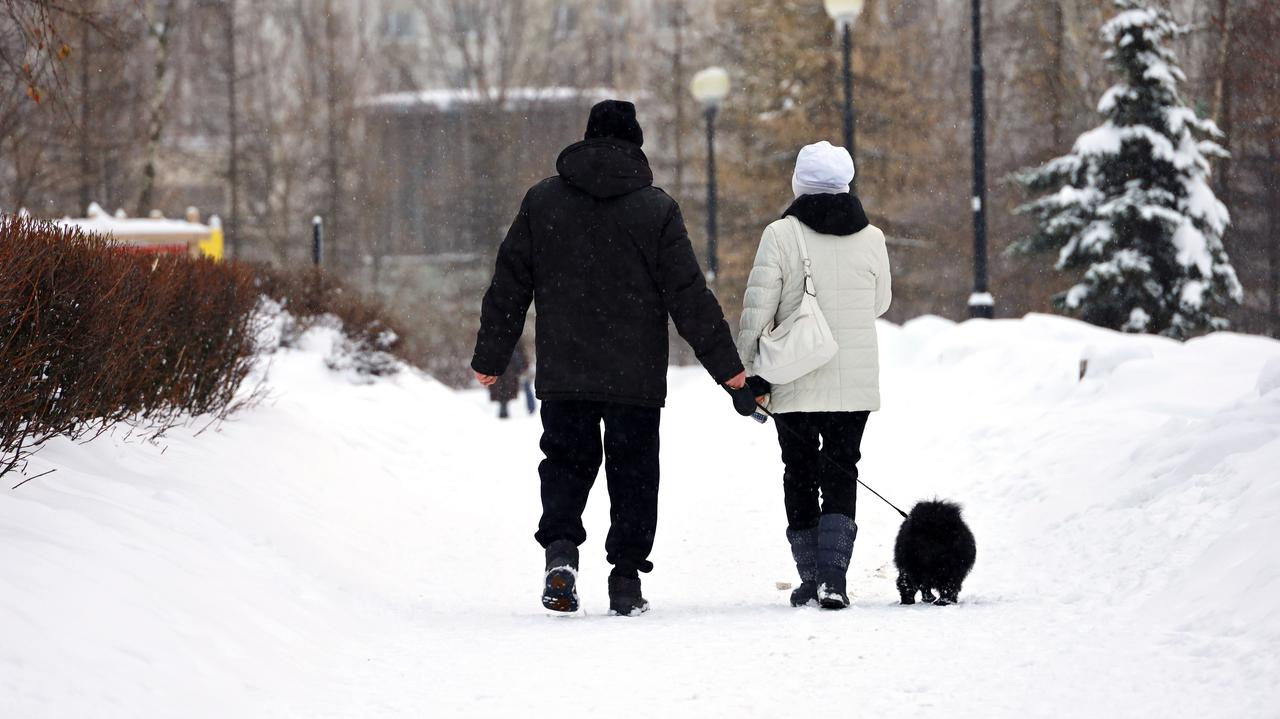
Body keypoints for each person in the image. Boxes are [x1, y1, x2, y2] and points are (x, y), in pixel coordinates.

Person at [472, 99, 746, 616]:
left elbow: (509, 284)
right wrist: (729, 370)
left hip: (566, 368)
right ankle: (625, 578)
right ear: (635, 144)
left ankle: (561, 552)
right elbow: (689, 296)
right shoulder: (656, 209)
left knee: (565, 462)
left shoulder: (543, 201)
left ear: (588, 137)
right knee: (634, 471)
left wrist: (492, 354)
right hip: (634, 375)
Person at [736, 141, 892, 610]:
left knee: (799, 472)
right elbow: (880, 303)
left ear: (799, 184)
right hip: (853, 379)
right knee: (843, 470)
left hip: (794, 376)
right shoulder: (873, 237)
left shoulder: (781, 234)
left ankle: (809, 577)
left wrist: (748, 374)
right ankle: (833, 580)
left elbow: (757, 307)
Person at [488, 344, 528, 419]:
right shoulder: (514, 341)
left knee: (503, 390)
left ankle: (503, 407)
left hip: (502, 370)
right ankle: (503, 407)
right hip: (508, 370)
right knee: (505, 390)